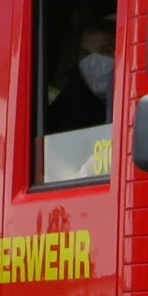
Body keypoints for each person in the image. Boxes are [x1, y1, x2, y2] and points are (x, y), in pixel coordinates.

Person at [43, 18, 115, 180]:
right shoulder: (67, 105)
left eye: (105, 51)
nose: (93, 61)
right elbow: (52, 155)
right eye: (85, 54)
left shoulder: (137, 96)